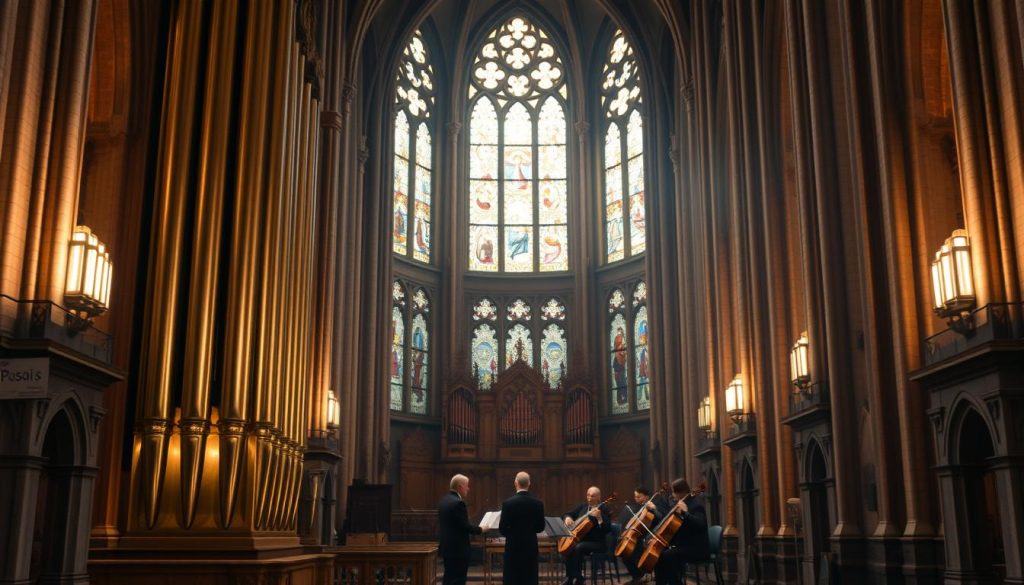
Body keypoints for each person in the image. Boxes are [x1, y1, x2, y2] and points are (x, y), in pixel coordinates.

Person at [651, 478, 710, 585]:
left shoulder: (696, 505)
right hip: (684, 546)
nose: (672, 495)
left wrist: (685, 513)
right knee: (659, 555)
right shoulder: (679, 504)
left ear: (682, 492)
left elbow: (700, 524)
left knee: (668, 556)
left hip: (697, 548)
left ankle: (675, 582)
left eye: (674, 492)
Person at [499, 471, 546, 585]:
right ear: (529, 484)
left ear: (515, 483)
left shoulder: (507, 503)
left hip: (512, 546)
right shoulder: (538, 503)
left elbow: (502, 529)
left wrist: (512, 533)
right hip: (530, 545)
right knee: (529, 577)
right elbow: (541, 527)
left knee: (512, 577)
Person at [561, 486, 611, 585]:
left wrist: (600, 518)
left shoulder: (603, 509)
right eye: (588, 495)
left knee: (578, 547)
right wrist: (567, 518)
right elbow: (566, 514)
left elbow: (607, 529)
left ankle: (578, 577)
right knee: (569, 547)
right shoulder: (583, 507)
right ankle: (570, 577)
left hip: (597, 543)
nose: (589, 498)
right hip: (581, 540)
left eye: (592, 496)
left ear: (598, 497)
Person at [438, 474, 483, 585]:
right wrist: (481, 529)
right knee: (458, 580)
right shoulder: (458, 503)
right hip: (458, 550)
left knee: (448, 577)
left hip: (447, 547)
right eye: (466, 486)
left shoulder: (444, 501)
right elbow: (465, 526)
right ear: (459, 487)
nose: (468, 489)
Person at [618, 486, 662, 583]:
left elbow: (660, 519)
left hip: (648, 537)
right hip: (639, 536)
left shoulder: (652, 506)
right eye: (635, 497)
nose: (636, 499)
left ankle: (640, 576)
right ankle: (637, 576)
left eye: (639, 497)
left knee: (630, 552)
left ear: (646, 497)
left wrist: (654, 509)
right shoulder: (640, 508)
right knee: (624, 553)